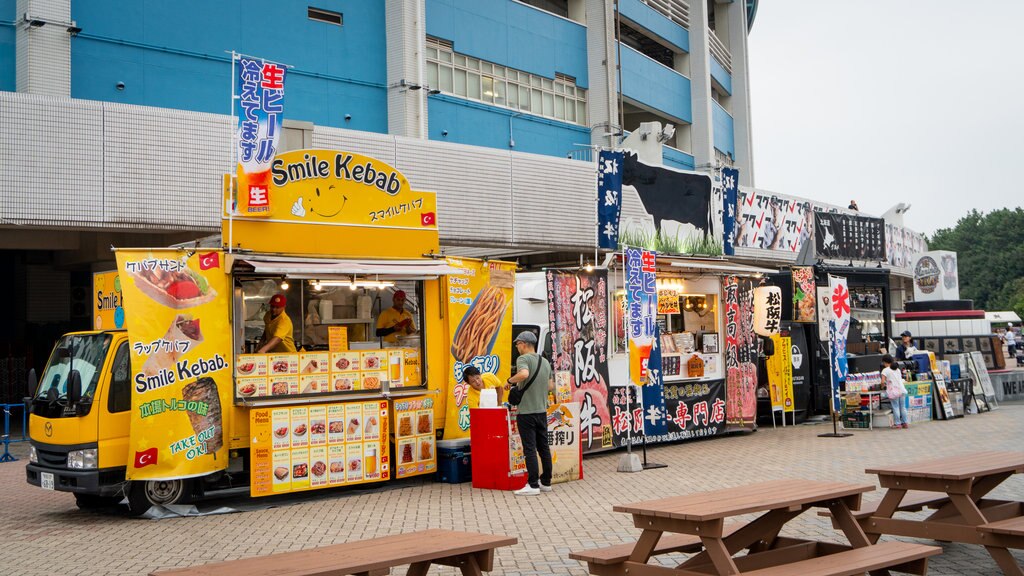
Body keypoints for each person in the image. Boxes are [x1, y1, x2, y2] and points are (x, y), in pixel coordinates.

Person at [504, 331, 553, 496]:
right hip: (541, 411)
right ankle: (546, 482)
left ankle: (532, 485)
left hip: (527, 412)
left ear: (524, 344)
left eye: (517, 344)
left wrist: (509, 381)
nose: (517, 347)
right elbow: (551, 386)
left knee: (530, 449)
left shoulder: (523, 359)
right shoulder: (545, 362)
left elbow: (524, 374)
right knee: (543, 448)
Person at [881, 354, 909, 429]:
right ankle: (905, 423)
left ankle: (898, 424)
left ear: (885, 362)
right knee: (903, 407)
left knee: (896, 407)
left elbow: (882, 382)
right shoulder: (897, 369)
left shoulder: (885, 370)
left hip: (894, 391)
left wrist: (882, 386)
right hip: (902, 389)